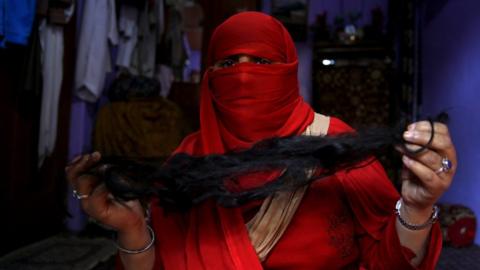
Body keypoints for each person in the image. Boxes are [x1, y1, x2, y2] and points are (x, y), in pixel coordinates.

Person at [66, 12, 456, 270]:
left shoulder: (334, 145)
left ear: (288, 72)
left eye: (262, 63)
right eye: (228, 63)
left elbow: (388, 261)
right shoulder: (188, 160)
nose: (245, 75)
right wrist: (132, 228)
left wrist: (418, 208)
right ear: (211, 78)